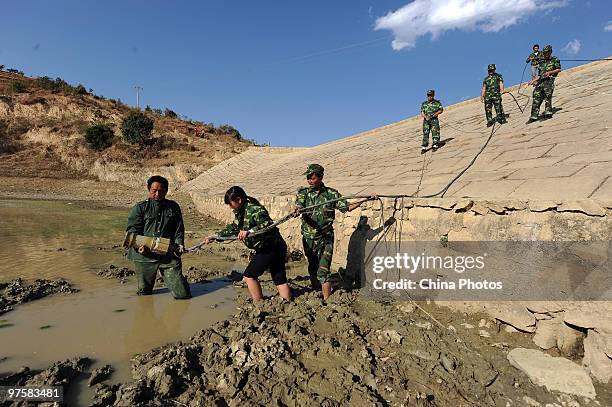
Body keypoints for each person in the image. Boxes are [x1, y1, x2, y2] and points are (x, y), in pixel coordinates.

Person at [293, 164, 371, 300]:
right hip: (308, 238)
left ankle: (327, 300)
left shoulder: (331, 194)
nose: (309, 181)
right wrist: (298, 210)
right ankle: (316, 288)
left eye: (312, 178)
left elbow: (347, 207)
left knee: (323, 270)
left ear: (321, 177)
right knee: (312, 266)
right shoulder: (304, 193)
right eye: (308, 178)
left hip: (326, 238)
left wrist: (365, 199)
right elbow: (299, 205)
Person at [202, 186, 291, 302]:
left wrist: (249, 231)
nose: (230, 207)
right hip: (273, 246)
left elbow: (268, 225)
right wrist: (214, 236)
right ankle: (287, 302)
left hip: (270, 247)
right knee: (279, 278)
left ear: (238, 200)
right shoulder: (240, 211)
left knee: (249, 275)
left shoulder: (255, 210)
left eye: (230, 204)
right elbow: (233, 228)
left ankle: (259, 303)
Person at [126, 175, 192, 299]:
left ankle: (181, 283)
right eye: (154, 191)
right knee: (144, 293)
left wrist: (180, 244)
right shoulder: (140, 208)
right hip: (144, 255)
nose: (157, 194)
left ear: (166, 191)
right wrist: (140, 246)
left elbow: (178, 229)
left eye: (161, 191)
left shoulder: (173, 207)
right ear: (149, 190)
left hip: (168, 253)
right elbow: (132, 231)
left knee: (183, 295)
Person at [527, 45, 562, 124]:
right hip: (540, 82)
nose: (545, 54)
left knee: (547, 97)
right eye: (544, 53)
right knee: (536, 97)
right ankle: (533, 116)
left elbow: (559, 69)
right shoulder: (542, 62)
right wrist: (533, 80)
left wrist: (550, 72)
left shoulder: (555, 60)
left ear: (550, 52)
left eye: (547, 52)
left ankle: (548, 113)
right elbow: (540, 75)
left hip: (549, 82)